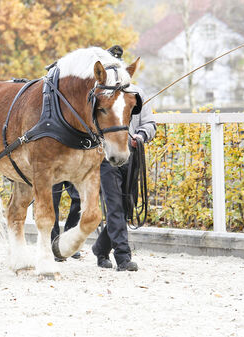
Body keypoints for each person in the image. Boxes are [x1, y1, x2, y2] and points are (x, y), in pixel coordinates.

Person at [91, 46, 156, 271]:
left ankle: (100, 249)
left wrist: (139, 135)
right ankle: (123, 257)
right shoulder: (99, 96)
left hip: (132, 156)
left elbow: (150, 124)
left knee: (126, 207)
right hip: (106, 158)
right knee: (115, 207)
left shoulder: (136, 93)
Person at [51, 181, 81, 261]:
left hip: (71, 170)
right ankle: (55, 244)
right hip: (53, 170)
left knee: (79, 199)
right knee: (52, 202)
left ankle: (70, 240)